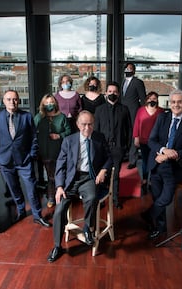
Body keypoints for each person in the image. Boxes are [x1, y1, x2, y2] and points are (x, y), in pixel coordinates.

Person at [47, 110, 112, 263]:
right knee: (59, 209)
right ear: (77, 125)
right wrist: (60, 186)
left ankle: (87, 228)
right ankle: (57, 246)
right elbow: (60, 166)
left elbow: (109, 158)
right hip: (71, 180)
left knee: (91, 197)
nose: (87, 128)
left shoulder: (99, 138)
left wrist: (103, 170)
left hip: (89, 177)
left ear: (94, 125)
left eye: (90, 124)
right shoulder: (69, 140)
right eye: (83, 124)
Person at [142, 89, 182, 240]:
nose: (176, 105)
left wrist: (172, 154)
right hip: (157, 163)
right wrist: (163, 151)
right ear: (169, 103)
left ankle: (148, 216)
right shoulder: (162, 117)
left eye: (179, 102)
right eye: (173, 102)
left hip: (175, 166)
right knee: (157, 196)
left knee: (166, 198)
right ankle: (160, 228)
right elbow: (151, 140)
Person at [0, 90, 51, 227]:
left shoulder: (26, 116)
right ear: (4, 101)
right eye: (9, 99)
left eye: (15, 99)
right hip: (5, 160)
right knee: (14, 188)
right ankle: (21, 210)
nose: (12, 102)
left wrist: (31, 155)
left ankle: (37, 215)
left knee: (31, 188)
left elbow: (34, 138)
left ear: (18, 100)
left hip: (24, 160)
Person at [94, 81, 131, 209]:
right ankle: (102, 199)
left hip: (118, 148)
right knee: (103, 173)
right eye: (110, 92)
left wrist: (126, 146)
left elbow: (129, 129)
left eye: (115, 92)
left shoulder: (124, 109)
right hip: (103, 149)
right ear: (105, 93)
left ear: (119, 94)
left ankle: (115, 200)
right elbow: (96, 130)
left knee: (115, 176)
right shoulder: (99, 110)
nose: (112, 94)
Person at [34, 94, 71, 208]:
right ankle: (51, 196)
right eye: (46, 103)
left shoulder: (62, 117)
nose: (49, 105)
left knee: (59, 173)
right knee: (50, 175)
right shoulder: (39, 117)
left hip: (59, 151)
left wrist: (59, 135)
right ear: (43, 105)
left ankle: (61, 195)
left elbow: (69, 131)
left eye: (51, 102)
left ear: (55, 103)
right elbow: (33, 132)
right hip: (45, 151)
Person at [132, 91, 164, 195]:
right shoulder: (141, 110)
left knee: (155, 160)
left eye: (154, 99)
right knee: (145, 161)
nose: (152, 100)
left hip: (156, 142)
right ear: (146, 100)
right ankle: (145, 179)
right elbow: (136, 124)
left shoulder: (161, 111)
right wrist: (136, 137)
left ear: (157, 100)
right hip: (143, 140)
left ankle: (152, 180)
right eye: (150, 98)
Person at [121, 62, 146, 169]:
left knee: (133, 135)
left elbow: (143, 99)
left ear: (134, 71)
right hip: (122, 112)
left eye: (130, 68)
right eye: (126, 68)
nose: (128, 70)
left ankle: (133, 159)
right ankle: (124, 155)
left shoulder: (138, 82)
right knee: (124, 134)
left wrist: (138, 110)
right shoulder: (122, 82)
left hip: (133, 112)